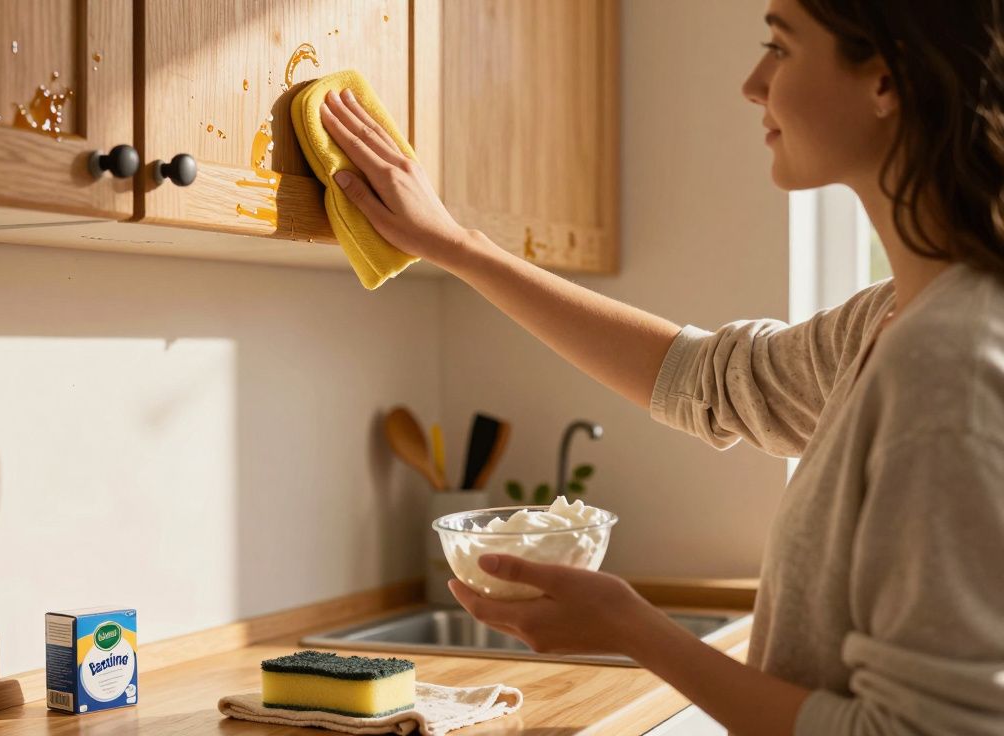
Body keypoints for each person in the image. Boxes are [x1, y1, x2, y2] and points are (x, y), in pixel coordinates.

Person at [320, 0, 1004, 733]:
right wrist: (456, 247)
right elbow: (706, 380)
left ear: (885, 81)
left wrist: (630, 627)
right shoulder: (891, 320)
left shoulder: (948, 364)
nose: (753, 81)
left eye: (781, 47)